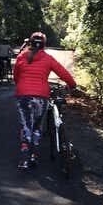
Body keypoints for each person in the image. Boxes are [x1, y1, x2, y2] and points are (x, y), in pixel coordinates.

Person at [12, 31, 77, 170]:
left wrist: (21, 86)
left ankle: (24, 158)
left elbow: (16, 76)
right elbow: (63, 72)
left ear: (30, 42)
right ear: (44, 45)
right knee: (36, 126)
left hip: (23, 96)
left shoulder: (21, 56)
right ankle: (34, 155)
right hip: (41, 97)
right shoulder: (48, 58)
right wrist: (72, 85)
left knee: (25, 126)